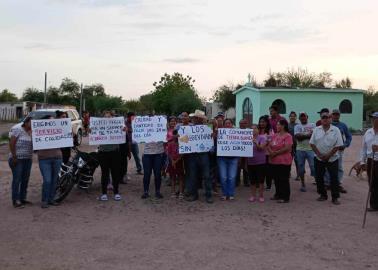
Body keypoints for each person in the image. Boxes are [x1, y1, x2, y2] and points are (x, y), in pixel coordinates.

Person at [310, 110, 343, 205]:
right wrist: (319, 155)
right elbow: (312, 144)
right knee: (319, 177)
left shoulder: (336, 130)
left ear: (330, 119)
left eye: (327, 117)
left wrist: (328, 155)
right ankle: (322, 194)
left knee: (334, 178)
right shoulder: (316, 129)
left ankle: (335, 197)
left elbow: (338, 145)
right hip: (319, 158)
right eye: (323, 117)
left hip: (332, 159)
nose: (325, 119)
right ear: (321, 119)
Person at [184, 110, 213, 203]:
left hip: (204, 154)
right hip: (193, 155)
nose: (194, 119)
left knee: (207, 176)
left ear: (200, 119)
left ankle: (209, 195)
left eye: (196, 118)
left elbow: (212, 138)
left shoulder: (207, 128)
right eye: (194, 118)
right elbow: (184, 140)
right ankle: (194, 195)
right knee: (193, 175)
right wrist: (179, 138)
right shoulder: (189, 129)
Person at [37, 115, 63, 208]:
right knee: (47, 180)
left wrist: (69, 130)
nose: (52, 123)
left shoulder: (58, 131)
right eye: (50, 121)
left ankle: (51, 199)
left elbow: (68, 138)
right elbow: (34, 145)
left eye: (53, 121)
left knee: (54, 180)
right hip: (44, 159)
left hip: (57, 158)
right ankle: (44, 200)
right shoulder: (38, 131)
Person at [97, 111, 123, 201]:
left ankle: (116, 192)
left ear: (113, 118)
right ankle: (104, 193)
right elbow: (92, 133)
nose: (107, 118)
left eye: (109, 117)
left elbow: (124, 132)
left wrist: (124, 130)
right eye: (105, 117)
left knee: (115, 173)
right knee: (104, 173)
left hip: (115, 152)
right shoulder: (98, 126)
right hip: (103, 152)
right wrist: (90, 130)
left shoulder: (118, 125)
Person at [8, 116, 33, 208]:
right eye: (30, 123)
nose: (32, 125)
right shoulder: (17, 129)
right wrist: (14, 156)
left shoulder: (32, 132)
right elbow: (11, 143)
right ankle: (15, 200)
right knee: (17, 179)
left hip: (28, 159)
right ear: (26, 122)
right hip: (17, 159)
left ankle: (22, 198)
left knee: (25, 179)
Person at [325, 109, 352, 193]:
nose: (336, 116)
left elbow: (349, 137)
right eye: (334, 114)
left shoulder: (343, 125)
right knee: (327, 166)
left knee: (339, 167)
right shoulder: (327, 124)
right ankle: (328, 183)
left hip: (339, 149)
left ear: (339, 115)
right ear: (331, 115)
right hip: (329, 149)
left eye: (337, 114)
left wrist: (345, 145)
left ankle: (338, 184)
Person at [267, 119, 293, 203]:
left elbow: (287, 148)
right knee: (276, 179)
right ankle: (277, 194)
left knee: (283, 179)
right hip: (274, 161)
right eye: (277, 125)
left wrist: (275, 153)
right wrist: (271, 152)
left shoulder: (288, 136)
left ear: (283, 126)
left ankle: (285, 197)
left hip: (284, 161)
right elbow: (269, 144)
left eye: (278, 125)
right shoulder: (275, 135)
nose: (277, 126)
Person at [141, 115, 165, 199]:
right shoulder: (144, 128)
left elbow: (167, 138)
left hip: (158, 153)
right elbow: (136, 135)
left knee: (157, 174)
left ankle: (157, 191)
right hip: (147, 154)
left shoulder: (162, 128)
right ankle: (146, 191)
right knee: (147, 174)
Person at [359, 112, 378, 211]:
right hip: (371, 161)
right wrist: (362, 162)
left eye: (376, 118)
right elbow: (363, 148)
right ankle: (374, 205)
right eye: (373, 118)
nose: (374, 120)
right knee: (372, 183)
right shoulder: (368, 132)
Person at [217, 119, 240, 201]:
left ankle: (230, 194)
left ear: (232, 124)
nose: (228, 125)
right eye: (226, 123)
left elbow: (241, 144)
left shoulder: (237, 133)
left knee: (232, 177)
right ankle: (224, 193)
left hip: (233, 158)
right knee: (223, 177)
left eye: (229, 123)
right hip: (222, 158)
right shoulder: (219, 133)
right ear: (223, 125)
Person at [294, 112, 316, 192]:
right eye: (301, 117)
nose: (303, 118)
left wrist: (302, 135)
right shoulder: (297, 126)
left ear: (307, 117)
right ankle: (303, 184)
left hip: (310, 149)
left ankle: (317, 181)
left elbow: (313, 136)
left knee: (313, 167)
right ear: (299, 118)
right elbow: (297, 137)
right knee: (301, 168)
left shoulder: (312, 125)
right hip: (300, 150)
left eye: (304, 116)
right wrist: (308, 135)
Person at [248, 124, 268, 203]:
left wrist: (256, 142)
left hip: (260, 162)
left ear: (258, 130)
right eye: (252, 129)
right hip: (250, 162)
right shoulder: (247, 138)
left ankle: (261, 195)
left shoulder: (262, 138)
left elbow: (262, 148)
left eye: (255, 128)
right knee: (252, 181)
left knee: (261, 181)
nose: (253, 130)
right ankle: (253, 195)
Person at [167, 126, 184, 199]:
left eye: (177, 135)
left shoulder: (182, 143)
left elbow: (183, 153)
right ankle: (173, 192)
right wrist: (172, 161)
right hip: (172, 162)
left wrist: (176, 161)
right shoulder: (170, 144)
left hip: (180, 162)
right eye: (174, 135)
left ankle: (181, 192)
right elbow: (169, 153)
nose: (176, 136)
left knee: (180, 178)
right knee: (173, 178)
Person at [236, 119, 249, 187]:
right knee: (238, 167)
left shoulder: (249, 132)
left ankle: (246, 182)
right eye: (240, 123)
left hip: (246, 152)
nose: (242, 124)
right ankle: (237, 181)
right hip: (238, 152)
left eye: (243, 123)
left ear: (246, 124)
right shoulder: (236, 131)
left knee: (246, 167)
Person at [288, 111, 299, 180]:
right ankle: (288, 173)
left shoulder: (298, 125)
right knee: (289, 160)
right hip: (289, 146)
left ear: (296, 117)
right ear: (289, 117)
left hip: (297, 146)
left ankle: (298, 175)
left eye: (294, 116)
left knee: (298, 161)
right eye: (291, 116)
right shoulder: (287, 125)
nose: (292, 117)